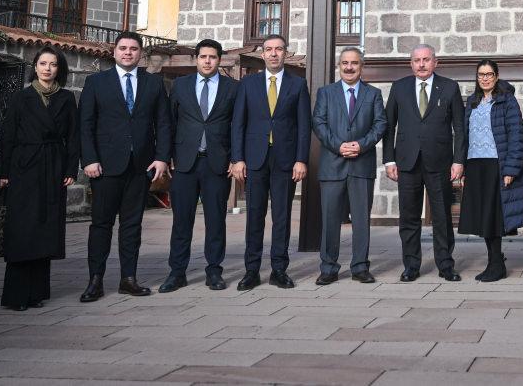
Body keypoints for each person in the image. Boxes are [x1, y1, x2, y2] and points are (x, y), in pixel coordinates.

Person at [79, 31, 172, 302]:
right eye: (123, 48)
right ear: (114, 51)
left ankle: (128, 279)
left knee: (132, 225)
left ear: (140, 53)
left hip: (140, 165)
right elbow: (86, 124)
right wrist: (89, 159)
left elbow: (163, 123)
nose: (128, 52)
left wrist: (162, 157)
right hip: (105, 166)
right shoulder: (96, 82)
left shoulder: (153, 83)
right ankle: (95, 280)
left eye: (133, 48)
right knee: (101, 224)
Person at [0, 46, 78, 311]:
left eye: (53, 64)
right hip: (24, 166)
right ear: (35, 67)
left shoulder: (66, 98)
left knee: (45, 227)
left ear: (59, 68)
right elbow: (8, 135)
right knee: (22, 228)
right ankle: (16, 295)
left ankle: (37, 292)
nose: (47, 69)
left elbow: (73, 136)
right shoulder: (21, 97)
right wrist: (5, 172)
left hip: (53, 166)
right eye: (43, 63)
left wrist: (70, 169)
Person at [230, 34, 310, 290]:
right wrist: (237, 159)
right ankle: (251, 271)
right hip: (255, 159)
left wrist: (301, 159)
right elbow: (238, 123)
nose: (274, 53)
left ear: (285, 53)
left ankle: (279, 270)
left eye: (279, 49)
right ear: (262, 54)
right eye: (269, 49)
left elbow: (304, 126)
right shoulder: (248, 84)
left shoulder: (298, 84)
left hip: (285, 160)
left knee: (282, 217)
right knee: (254, 216)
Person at [382, 43, 466, 282]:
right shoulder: (399, 87)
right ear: (411, 64)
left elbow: (460, 127)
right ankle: (411, 266)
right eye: (417, 60)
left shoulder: (449, 87)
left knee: (442, 216)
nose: (421, 64)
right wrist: (389, 160)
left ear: (435, 62)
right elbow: (389, 126)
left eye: (426, 60)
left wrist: (458, 160)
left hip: (440, 162)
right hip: (406, 162)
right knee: (408, 216)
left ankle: (445, 265)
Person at [160, 38, 238, 293]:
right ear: (196, 59)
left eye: (212, 57)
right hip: (185, 163)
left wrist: (236, 158)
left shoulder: (232, 88)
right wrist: (167, 156)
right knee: (181, 221)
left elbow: (238, 125)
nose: (207, 61)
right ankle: (177, 273)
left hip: (217, 163)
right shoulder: (180, 85)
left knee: (216, 221)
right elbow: (169, 123)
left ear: (219, 60)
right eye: (203, 56)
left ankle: (214, 271)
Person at [313, 47, 386, 284]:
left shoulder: (373, 94)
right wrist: (339, 146)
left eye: (354, 63)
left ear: (361, 66)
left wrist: (361, 145)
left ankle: (360, 267)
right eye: (345, 63)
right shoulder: (326, 93)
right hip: (332, 165)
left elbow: (380, 124)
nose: (349, 67)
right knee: (330, 220)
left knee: (361, 220)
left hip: (361, 165)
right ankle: (328, 268)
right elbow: (319, 123)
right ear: (339, 66)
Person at [458, 59, 523, 282]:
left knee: (494, 217)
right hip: (475, 165)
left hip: (496, 165)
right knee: (482, 217)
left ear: (496, 76)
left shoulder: (506, 100)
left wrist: (511, 169)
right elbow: (465, 136)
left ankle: (496, 264)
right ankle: (494, 260)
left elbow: (516, 135)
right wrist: (463, 167)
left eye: (489, 74)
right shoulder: (473, 101)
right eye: (481, 74)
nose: (485, 78)